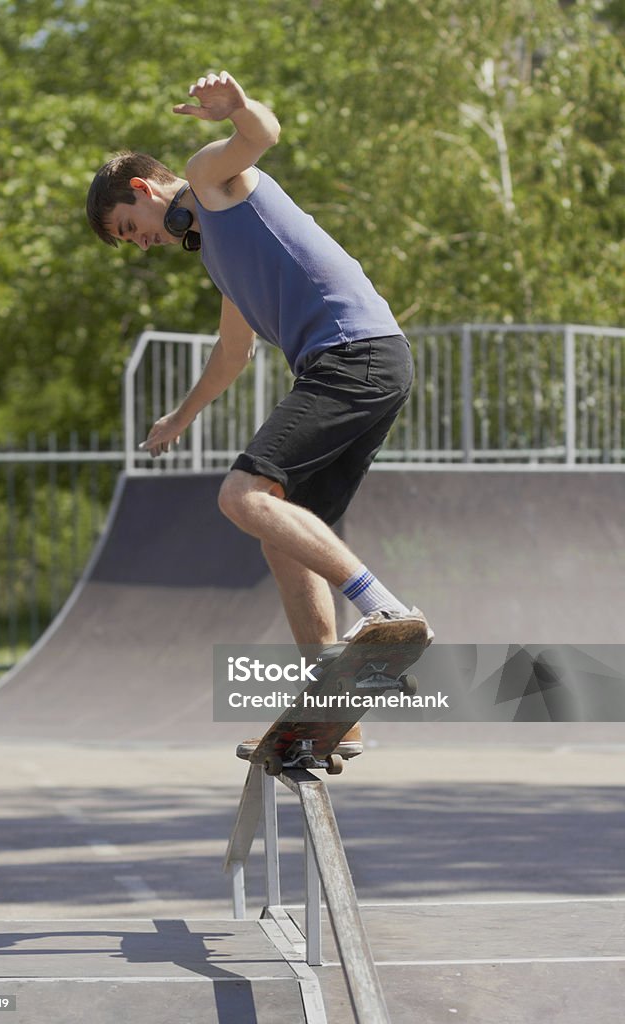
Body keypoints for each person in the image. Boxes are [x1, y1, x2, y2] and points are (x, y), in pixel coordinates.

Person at [86, 71, 432, 756]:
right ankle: (338, 717)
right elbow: (233, 352)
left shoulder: (208, 182)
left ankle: (385, 608)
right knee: (283, 534)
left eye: (131, 229)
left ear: (143, 190)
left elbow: (262, 137)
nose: (141, 243)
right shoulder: (221, 251)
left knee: (241, 495)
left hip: (353, 356)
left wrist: (238, 109)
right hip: (370, 363)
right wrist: (180, 417)